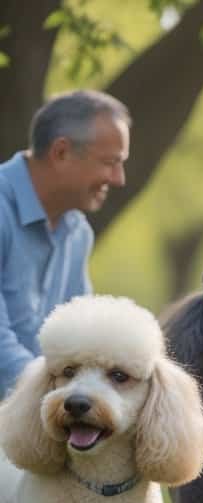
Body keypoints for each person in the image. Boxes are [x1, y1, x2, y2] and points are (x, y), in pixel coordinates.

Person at [0, 90, 130, 394]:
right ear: (61, 153)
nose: (119, 179)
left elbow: (82, 338)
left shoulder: (78, 232)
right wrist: (57, 399)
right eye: (110, 162)